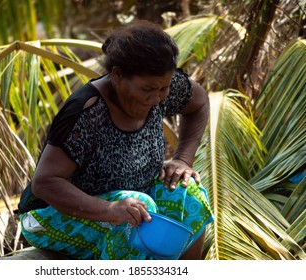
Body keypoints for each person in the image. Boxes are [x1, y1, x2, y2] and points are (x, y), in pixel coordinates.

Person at [18, 20, 214, 260]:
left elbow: (200, 101)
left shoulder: (162, 87)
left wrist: (183, 158)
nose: (157, 98)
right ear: (118, 75)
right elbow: (45, 183)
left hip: (128, 204)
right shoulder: (86, 112)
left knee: (188, 193)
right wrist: (109, 210)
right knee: (136, 210)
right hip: (49, 217)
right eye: (147, 90)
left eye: (163, 89)